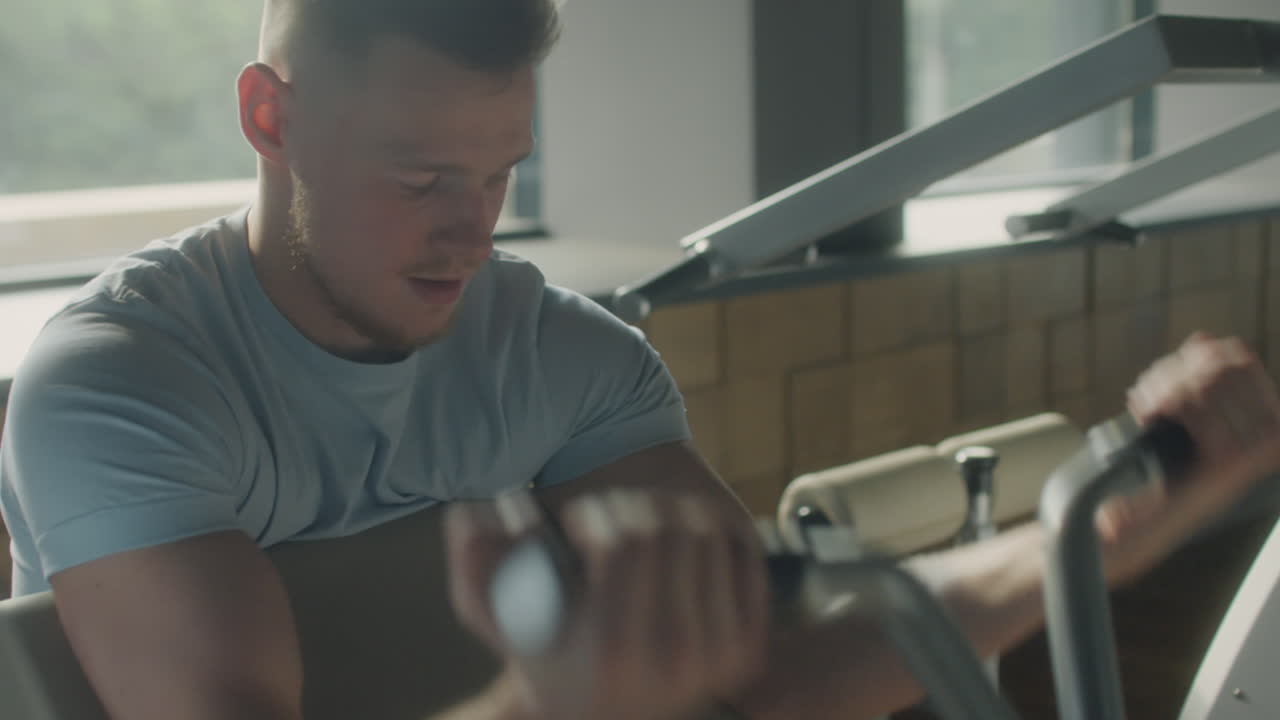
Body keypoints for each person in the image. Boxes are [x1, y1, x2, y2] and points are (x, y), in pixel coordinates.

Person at [2, 1, 1278, 719]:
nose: (472, 233)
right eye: (421, 178)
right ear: (268, 118)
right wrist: (558, 705)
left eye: (501, 175)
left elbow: (757, 671)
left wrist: (1096, 539)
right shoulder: (120, 386)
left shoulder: (559, 352)